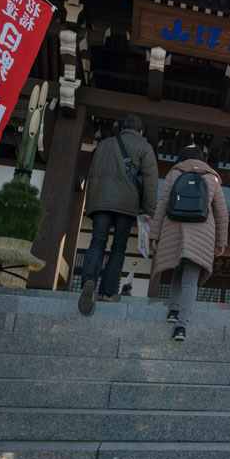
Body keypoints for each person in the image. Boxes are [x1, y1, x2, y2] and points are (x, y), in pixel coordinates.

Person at [78, 114, 158, 314]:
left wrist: (90, 204)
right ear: (141, 131)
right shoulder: (144, 148)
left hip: (101, 200)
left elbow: (93, 173)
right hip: (126, 203)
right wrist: (149, 210)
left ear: (123, 128)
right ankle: (106, 292)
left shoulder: (104, 144)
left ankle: (88, 280)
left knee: (97, 241)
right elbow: (150, 182)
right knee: (119, 247)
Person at [149, 145, 228, 341]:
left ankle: (173, 310)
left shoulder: (174, 174)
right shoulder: (212, 178)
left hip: (173, 228)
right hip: (201, 232)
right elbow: (221, 212)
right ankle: (181, 326)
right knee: (190, 280)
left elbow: (161, 206)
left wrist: (154, 234)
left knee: (177, 269)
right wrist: (220, 241)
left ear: (182, 157)